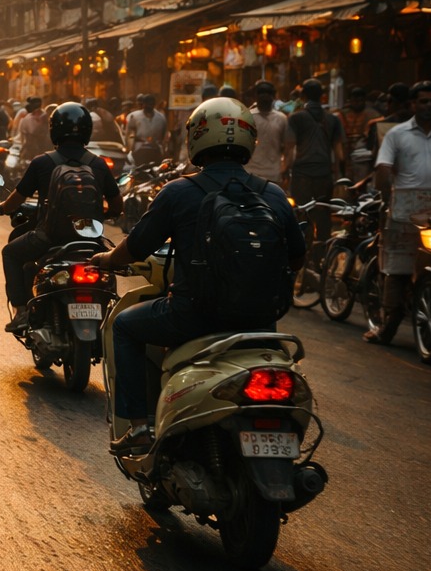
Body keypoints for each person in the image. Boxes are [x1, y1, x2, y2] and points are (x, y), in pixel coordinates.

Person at [89, 97, 305, 455]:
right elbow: (296, 258)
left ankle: (139, 428)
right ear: (250, 140)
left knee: (125, 327)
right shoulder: (274, 194)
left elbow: (137, 248)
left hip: (192, 316)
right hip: (262, 324)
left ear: (197, 138)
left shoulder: (179, 191)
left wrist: (108, 259)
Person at [0, 103, 122, 332]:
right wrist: (101, 214)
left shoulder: (42, 162)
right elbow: (116, 206)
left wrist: (3, 207)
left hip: (49, 237)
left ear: (54, 129)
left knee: (10, 253)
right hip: (89, 241)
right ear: (87, 130)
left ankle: (21, 311)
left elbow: (17, 198)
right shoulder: (98, 164)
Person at [367, 81, 431, 343]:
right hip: (403, 213)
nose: (429, 106)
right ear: (412, 104)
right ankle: (387, 326)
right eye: (423, 101)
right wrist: (386, 195)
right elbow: (383, 169)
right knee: (397, 269)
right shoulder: (396, 135)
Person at [284, 79, 345, 238]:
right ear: (322, 96)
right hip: (324, 174)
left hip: (301, 174)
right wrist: (339, 176)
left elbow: (290, 149)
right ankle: (322, 252)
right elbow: (339, 152)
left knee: (303, 213)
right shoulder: (333, 119)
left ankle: (307, 250)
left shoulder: (295, 118)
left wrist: (284, 171)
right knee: (324, 213)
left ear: (303, 95)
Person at [246, 80, 290, 187]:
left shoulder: (281, 119)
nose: (265, 96)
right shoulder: (248, 117)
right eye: (262, 93)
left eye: (268, 93)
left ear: (273, 96)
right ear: (255, 97)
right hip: (252, 175)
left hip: (272, 176)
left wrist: (285, 169)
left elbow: (288, 148)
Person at [339, 85, 381, 183]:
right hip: (347, 149)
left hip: (364, 153)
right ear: (350, 101)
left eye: (360, 100)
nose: (357, 103)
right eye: (354, 100)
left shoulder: (373, 115)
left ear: (364, 100)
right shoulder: (343, 114)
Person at [123, 93, 169, 165]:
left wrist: (163, 149)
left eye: (151, 104)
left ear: (154, 104)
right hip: (139, 148)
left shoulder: (161, 118)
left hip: (155, 149)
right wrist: (129, 149)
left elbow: (164, 135)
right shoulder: (134, 116)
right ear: (143, 104)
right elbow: (129, 134)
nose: (149, 106)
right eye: (147, 104)